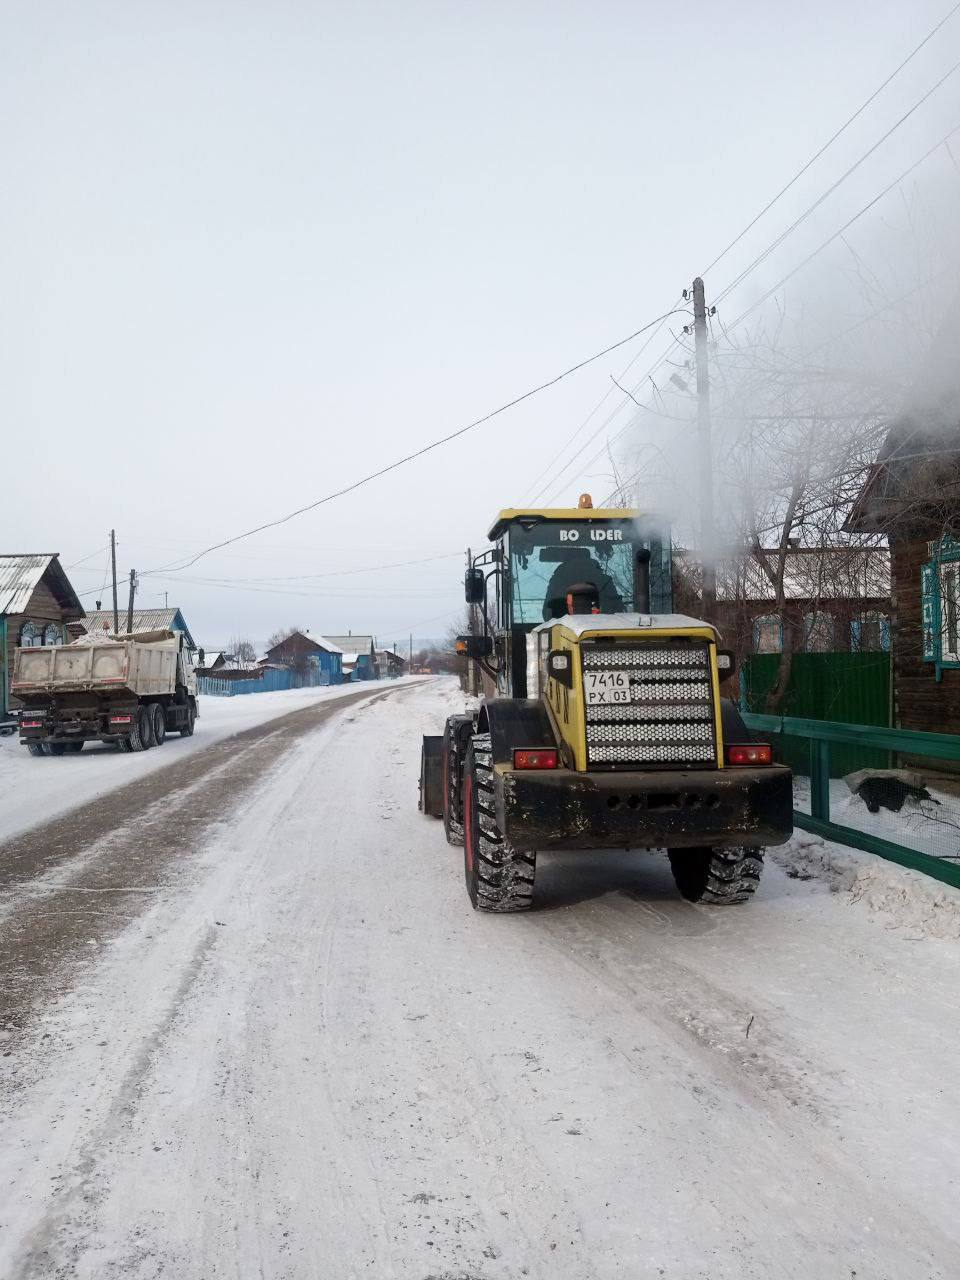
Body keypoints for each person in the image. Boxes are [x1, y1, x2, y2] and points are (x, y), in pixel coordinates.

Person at [542, 548, 624, 619]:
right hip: (606, 632)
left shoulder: (558, 580)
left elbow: (548, 614)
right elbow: (617, 610)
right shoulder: (604, 580)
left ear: (566, 560)